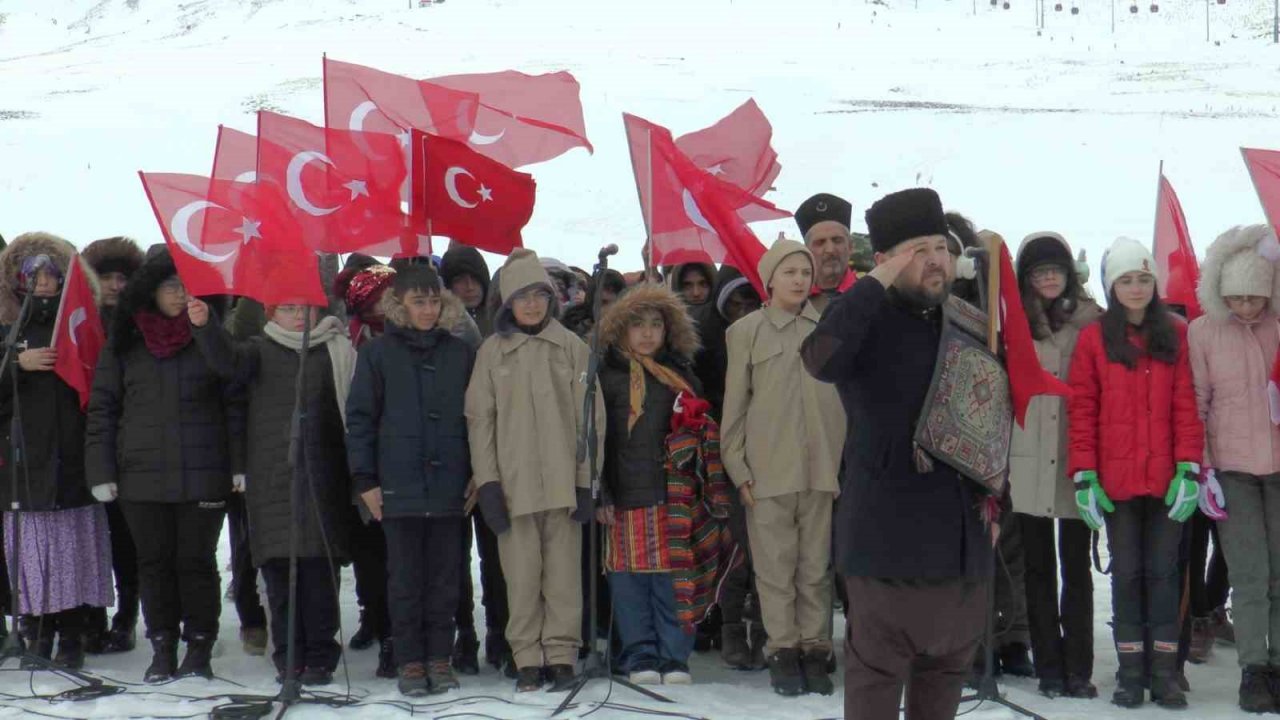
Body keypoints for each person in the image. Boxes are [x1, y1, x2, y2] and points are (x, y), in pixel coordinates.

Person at [801, 188, 996, 720]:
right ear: (886, 260)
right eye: (918, 250)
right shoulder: (865, 318)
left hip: (962, 553)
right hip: (887, 549)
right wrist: (875, 281)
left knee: (942, 695)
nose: (935, 260)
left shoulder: (966, 321)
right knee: (875, 693)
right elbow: (819, 358)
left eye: (941, 247)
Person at [85, 248, 244, 683]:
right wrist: (101, 470)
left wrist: (239, 464)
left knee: (196, 563)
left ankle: (199, 647)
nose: (180, 294)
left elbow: (235, 393)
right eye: (172, 286)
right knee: (153, 564)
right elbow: (103, 409)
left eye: (189, 287)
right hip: (140, 475)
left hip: (204, 472)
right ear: (151, 291)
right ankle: (162, 647)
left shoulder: (212, 336)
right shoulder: (126, 342)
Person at [189, 294, 355, 688]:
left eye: (306, 308)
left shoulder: (335, 351)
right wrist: (205, 326)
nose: (299, 316)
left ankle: (320, 656)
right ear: (272, 313)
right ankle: (289, 656)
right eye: (289, 308)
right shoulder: (258, 351)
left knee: (319, 575)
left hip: (324, 479)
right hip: (272, 480)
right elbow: (225, 360)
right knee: (280, 577)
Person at [1067, 236, 1203, 709]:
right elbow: (1082, 409)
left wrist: (1189, 467)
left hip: (1167, 480)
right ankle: (1130, 673)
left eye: (1144, 278)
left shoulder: (1176, 334)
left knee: (1163, 573)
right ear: (1112, 286)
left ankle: (1164, 673)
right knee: (1126, 574)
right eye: (1126, 280)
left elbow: (1186, 404)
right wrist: (1084, 474)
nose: (1136, 287)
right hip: (1116, 484)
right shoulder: (1094, 338)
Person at [466, 249, 599, 693]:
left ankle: (561, 654)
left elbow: (590, 420)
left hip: (564, 485)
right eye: (522, 296)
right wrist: (487, 481)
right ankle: (525, 656)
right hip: (513, 487)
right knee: (521, 578)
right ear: (507, 303)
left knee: (563, 578)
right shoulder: (491, 353)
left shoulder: (572, 348)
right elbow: (480, 421)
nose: (532, 304)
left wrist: (586, 480)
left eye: (540, 295)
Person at [721, 238, 843, 696]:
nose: (799, 280)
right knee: (775, 569)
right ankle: (782, 651)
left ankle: (815, 649)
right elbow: (735, 407)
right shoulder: (746, 332)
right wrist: (739, 469)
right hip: (767, 471)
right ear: (769, 280)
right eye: (789, 272)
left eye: (805, 272)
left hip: (820, 469)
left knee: (815, 569)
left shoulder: (828, 330)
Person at [346, 265, 474, 697]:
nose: (428, 309)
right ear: (399, 305)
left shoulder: (459, 352)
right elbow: (360, 419)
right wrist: (365, 479)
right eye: (419, 301)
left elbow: (478, 418)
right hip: (397, 483)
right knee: (404, 579)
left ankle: (440, 656)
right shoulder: (377, 353)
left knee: (445, 579)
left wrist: (478, 473)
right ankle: (410, 660)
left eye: (434, 301)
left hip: (450, 481)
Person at [596, 284, 721, 685]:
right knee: (629, 583)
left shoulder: (681, 378)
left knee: (673, 579)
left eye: (656, 324)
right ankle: (639, 655)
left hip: (674, 495)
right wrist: (601, 493)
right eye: (638, 324)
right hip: (624, 497)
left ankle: (674, 657)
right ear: (620, 329)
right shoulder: (606, 380)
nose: (648, 333)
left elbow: (699, 435)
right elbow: (596, 443)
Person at [0, 233, 113, 671]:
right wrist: (17, 363)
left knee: (72, 553)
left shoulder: (81, 323)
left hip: (72, 457)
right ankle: (37, 633)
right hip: (22, 463)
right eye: (33, 273)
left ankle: (72, 635)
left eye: (52, 273)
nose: (43, 281)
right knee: (31, 557)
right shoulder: (7, 330)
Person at [1188, 224, 1280, 712]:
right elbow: (1197, 402)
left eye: (1256, 297)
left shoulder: (1278, 327)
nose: (1247, 307)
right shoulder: (1204, 332)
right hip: (1233, 470)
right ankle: (1254, 669)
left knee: (1279, 574)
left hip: (1279, 469)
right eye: (1238, 297)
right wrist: (1205, 469)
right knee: (1249, 574)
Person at [1007, 231, 1102, 698]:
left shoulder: (1092, 322)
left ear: (1069, 274)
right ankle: (1048, 666)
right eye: (1039, 272)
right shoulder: (1012, 322)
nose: (1048, 278)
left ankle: (1078, 667)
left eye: (1055, 270)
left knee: (1077, 569)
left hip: (1074, 458)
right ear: (1026, 278)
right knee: (1038, 570)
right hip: (1027, 459)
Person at [439, 244, 509, 675]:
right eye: (457, 281)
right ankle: (463, 633)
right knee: (453, 559)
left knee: (497, 556)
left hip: (496, 459)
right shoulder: (437, 332)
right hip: (450, 459)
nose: (467, 288)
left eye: (473, 279)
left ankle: (501, 632)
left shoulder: (502, 328)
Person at [78, 235, 145, 656]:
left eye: (123, 278)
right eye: (107, 277)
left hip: (129, 444)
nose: (116, 286)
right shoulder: (76, 323)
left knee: (126, 539)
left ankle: (126, 617)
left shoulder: (140, 325)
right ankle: (91, 617)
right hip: (80, 441)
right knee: (88, 536)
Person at [332, 258, 397, 678]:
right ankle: (372, 613)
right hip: (358, 454)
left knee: (398, 555)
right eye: (376, 299)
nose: (384, 306)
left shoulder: (408, 336)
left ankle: (395, 630)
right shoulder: (348, 339)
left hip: (402, 457)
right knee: (367, 550)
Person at [795, 193, 857, 314]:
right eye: (820, 242)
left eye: (837, 240)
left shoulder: (871, 295)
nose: (830, 250)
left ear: (850, 247)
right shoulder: (791, 300)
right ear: (806, 252)